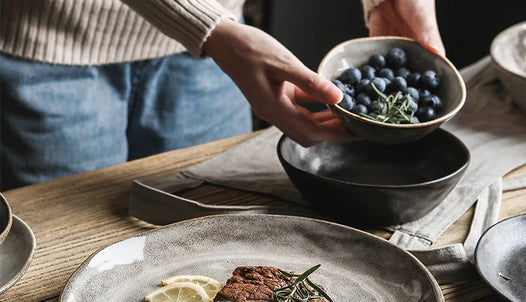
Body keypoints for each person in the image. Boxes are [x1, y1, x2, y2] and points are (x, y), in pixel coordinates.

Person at [0, 0, 444, 191]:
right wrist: (207, 27)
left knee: (214, 232)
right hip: (49, 49)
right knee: (62, 256)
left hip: (213, 56)